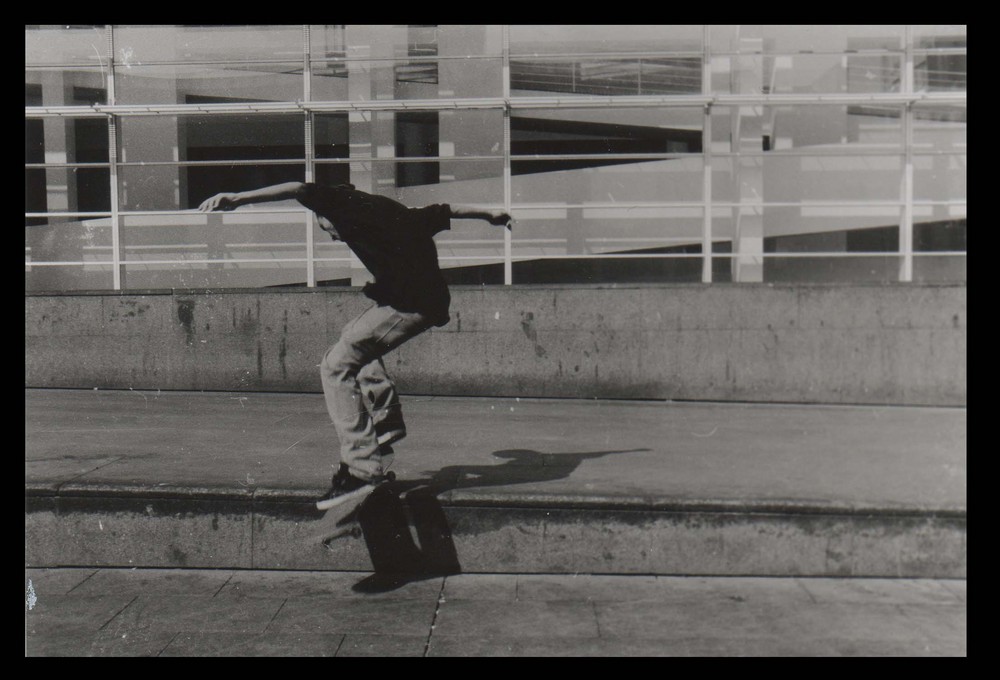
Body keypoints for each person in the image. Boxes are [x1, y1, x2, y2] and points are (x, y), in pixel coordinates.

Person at [199, 181, 511, 509]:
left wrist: (236, 196)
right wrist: (490, 214)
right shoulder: (399, 213)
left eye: (328, 230)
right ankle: (386, 419)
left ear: (330, 214)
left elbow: (296, 188)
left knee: (336, 366)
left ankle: (362, 468)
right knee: (353, 338)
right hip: (415, 300)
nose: (333, 237)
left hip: (410, 304)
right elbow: (449, 210)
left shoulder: (340, 205)